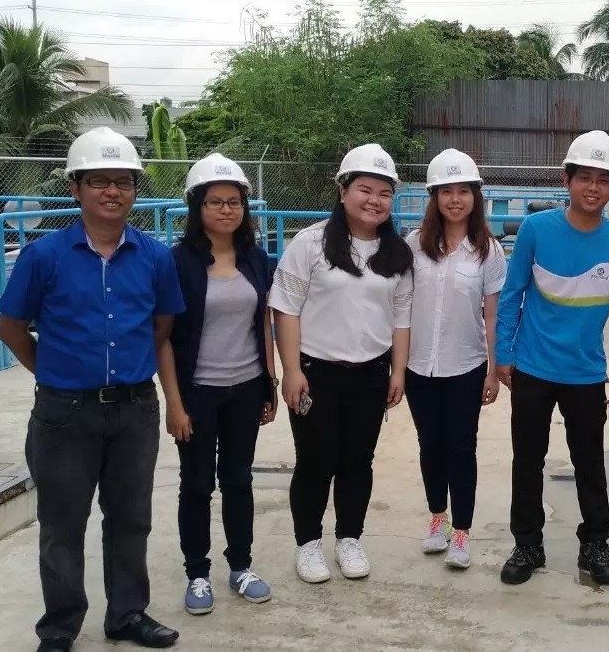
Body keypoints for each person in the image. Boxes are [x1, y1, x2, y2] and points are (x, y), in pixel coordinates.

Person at [0, 127, 184, 651]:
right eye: (98, 181)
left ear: (134, 191)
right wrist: (52, 371)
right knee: (62, 524)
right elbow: (10, 327)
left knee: (130, 519)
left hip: (133, 410)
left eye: (123, 181)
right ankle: (59, 628)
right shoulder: (43, 256)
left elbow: (162, 325)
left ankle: (126, 614)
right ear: (75, 189)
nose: (112, 191)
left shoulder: (154, 256)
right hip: (63, 414)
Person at [495, 130, 609, 586]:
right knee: (527, 460)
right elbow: (511, 294)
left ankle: (595, 545)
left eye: (604, 179)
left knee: (590, 464)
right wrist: (503, 352)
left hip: (585, 374)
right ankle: (527, 545)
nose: (593, 188)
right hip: (533, 370)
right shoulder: (537, 230)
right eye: (585, 177)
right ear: (567, 179)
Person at [268, 143, 413, 584]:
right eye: (364, 189)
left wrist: (398, 372)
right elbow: (285, 310)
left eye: (384, 193)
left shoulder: (397, 254)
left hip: (370, 375)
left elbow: (402, 318)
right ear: (343, 190)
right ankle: (308, 543)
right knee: (314, 461)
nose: (374, 200)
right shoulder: (310, 244)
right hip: (316, 375)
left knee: (357, 462)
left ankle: (349, 538)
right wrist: (291, 370)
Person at [156, 154, 277, 615]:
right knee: (196, 483)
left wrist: (270, 384)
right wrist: (174, 401)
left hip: (245, 388)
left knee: (239, 480)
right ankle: (197, 573)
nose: (226, 210)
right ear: (197, 207)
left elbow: (262, 324)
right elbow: (163, 338)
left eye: (234, 202)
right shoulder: (177, 263)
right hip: (198, 392)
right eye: (215, 202)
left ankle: (241, 566)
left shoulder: (255, 260)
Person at [405, 149, 507, 569]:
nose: (455, 199)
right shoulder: (413, 245)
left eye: (463, 190)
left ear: (475, 196)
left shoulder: (488, 250)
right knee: (430, 445)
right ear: (434, 197)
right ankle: (437, 521)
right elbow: (399, 305)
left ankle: (462, 532)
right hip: (418, 367)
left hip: (466, 366)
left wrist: (493, 370)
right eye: (446, 191)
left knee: (462, 448)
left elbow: (493, 314)